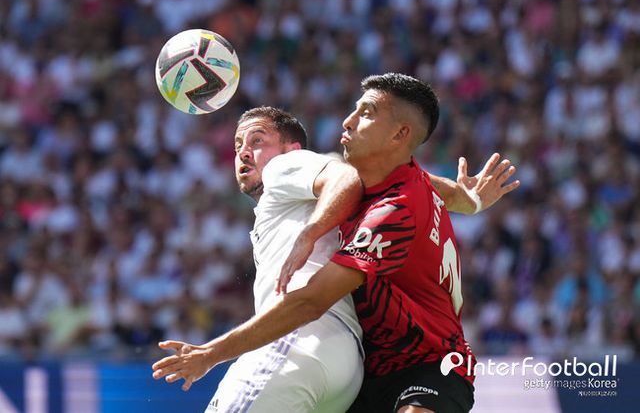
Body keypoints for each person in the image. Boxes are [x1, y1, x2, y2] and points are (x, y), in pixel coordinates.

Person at [152, 75, 519, 412]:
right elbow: (429, 185)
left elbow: (311, 301)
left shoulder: (387, 209)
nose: (347, 121)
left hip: (420, 361)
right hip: (366, 370)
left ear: (399, 134)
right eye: (237, 146)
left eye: (366, 113)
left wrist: (211, 353)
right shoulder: (400, 179)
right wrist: (470, 201)